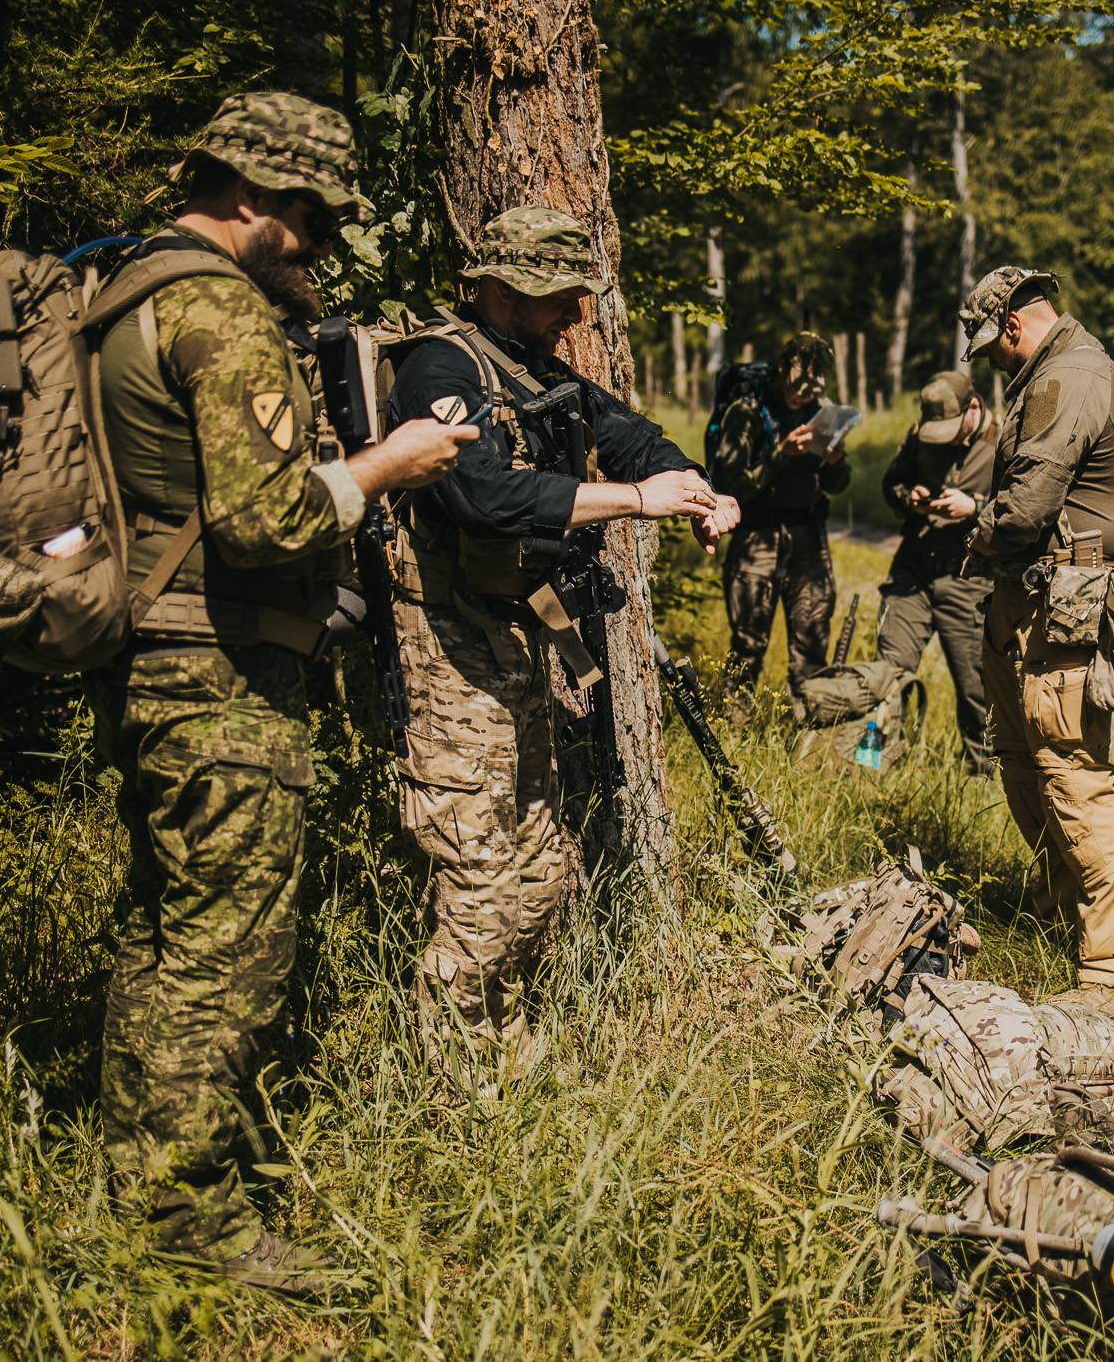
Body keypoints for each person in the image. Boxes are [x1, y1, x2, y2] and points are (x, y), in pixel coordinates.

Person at [89, 92, 479, 1295]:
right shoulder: (219, 310)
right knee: (226, 950)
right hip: (218, 668)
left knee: (166, 938)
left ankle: (130, 1196)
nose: (316, 245)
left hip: (146, 651)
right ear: (252, 197)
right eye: (308, 218)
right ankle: (187, 1227)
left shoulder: (120, 295)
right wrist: (382, 465)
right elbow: (261, 522)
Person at [383, 206, 740, 1079]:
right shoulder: (442, 365)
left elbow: (629, 436)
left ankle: (511, 1043)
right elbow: (483, 498)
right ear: (501, 288)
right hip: (450, 643)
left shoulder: (539, 369)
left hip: (523, 637)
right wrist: (633, 502)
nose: (572, 318)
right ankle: (450, 1078)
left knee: (539, 850)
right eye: (555, 298)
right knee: (477, 856)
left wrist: (695, 489)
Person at [960, 266, 1114, 1019]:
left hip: (1061, 609)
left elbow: (1026, 506)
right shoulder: (1050, 371)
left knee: (1071, 768)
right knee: (1018, 756)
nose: (992, 360)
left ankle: (1113, 970)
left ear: (1012, 323)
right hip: (1027, 601)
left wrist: (969, 528)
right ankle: (1056, 911)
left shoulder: (1068, 375)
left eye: (991, 345)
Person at [710, 333, 847, 697]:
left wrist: (836, 461)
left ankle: (809, 727)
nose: (805, 394)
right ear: (783, 369)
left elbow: (837, 484)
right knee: (748, 644)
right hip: (758, 537)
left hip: (809, 537)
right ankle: (735, 727)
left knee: (812, 640)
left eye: (813, 387)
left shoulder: (822, 411)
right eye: (800, 385)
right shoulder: (746, 412)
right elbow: (731, 486)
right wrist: (781, 453)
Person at [877, 371, 1000, 776]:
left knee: (976, 686)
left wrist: (976, 509)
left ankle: (981, 779)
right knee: (887, 673)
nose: (943, 439)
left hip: (969, 578)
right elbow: (892, 482)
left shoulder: (1006, 440)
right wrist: (907, 498)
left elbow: (1028, 507)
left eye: (951, 429)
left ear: (975, 408)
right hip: (913, 569)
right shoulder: (919, 433)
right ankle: (878, 767)